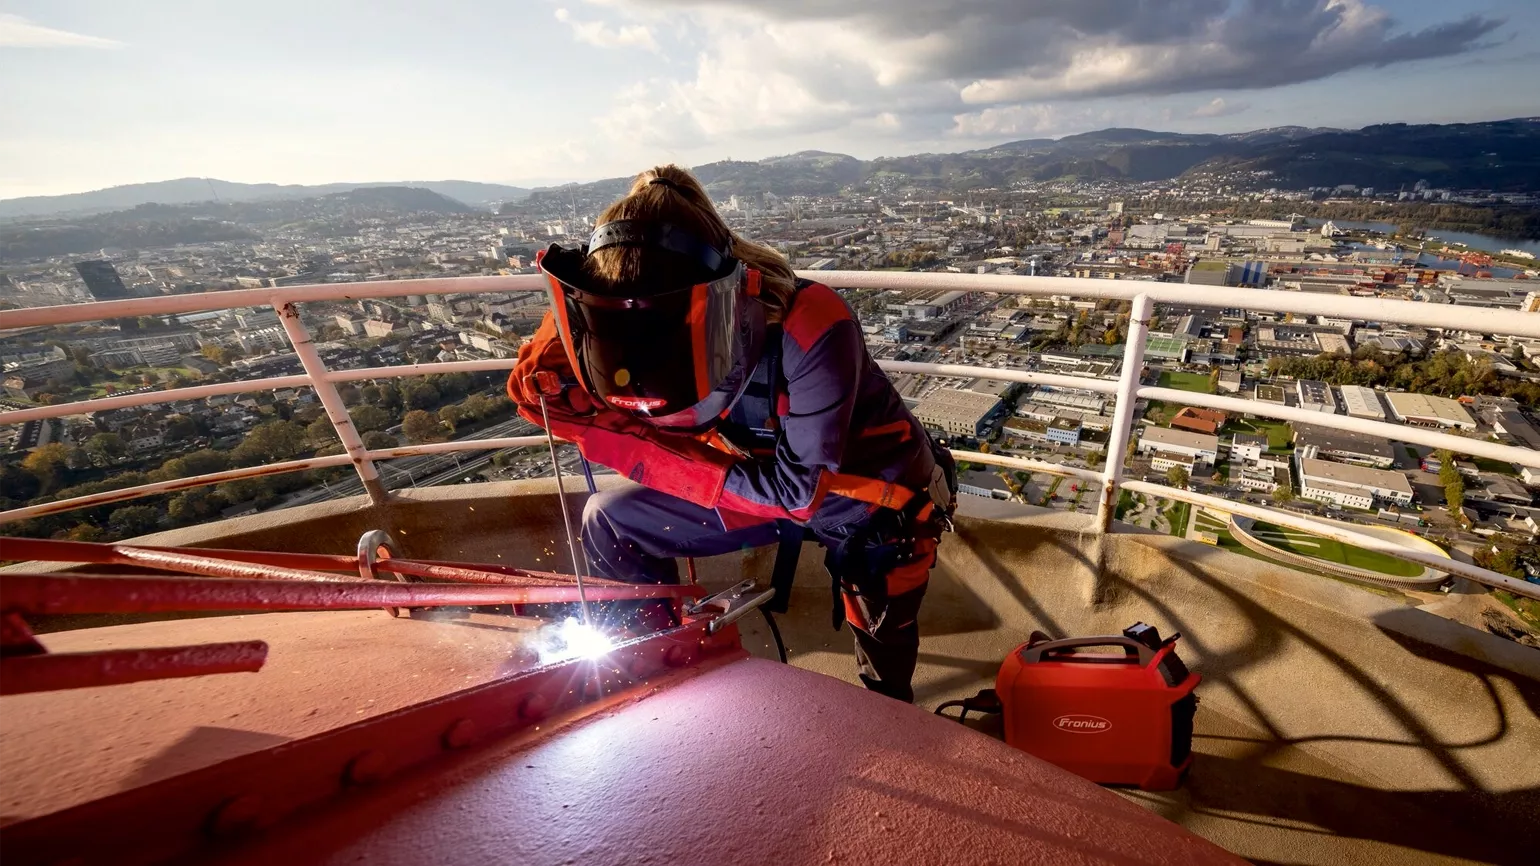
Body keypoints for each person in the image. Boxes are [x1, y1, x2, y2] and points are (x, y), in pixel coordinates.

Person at [507, 165, 954, 702]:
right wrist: (572, 339)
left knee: (882, 638)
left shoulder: (810, 324)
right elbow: (540, 386)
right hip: (752, 476)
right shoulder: (619, 316)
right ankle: (654, 670)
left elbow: (799, 491)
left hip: (867, 500)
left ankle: (888, 716)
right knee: (609, 520)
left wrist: (644, 450)